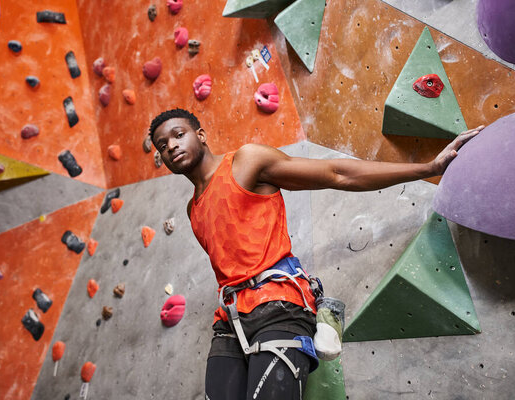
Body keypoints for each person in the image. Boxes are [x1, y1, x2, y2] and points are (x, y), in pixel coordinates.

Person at [149, 108, 483, 400]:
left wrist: (428, 168)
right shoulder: (194, 210)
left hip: (278, 309)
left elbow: (338, 174)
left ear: (201, 135)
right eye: (163, 145)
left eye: (179, 135)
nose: (172, 146)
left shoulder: (245, 162)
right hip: (230, 323)